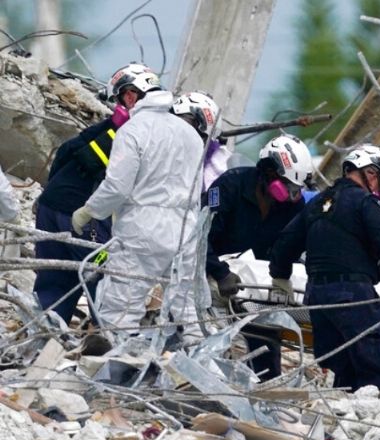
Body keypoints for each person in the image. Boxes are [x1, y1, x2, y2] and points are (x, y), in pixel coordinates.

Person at [269, 145, 380, 391]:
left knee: (345, 371)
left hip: (317, 298)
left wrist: (280, 276)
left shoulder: (318, 203)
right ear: (371, 173)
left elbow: (285, 243)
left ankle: (345, 421)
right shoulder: (365, 202)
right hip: (352, 296)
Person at [71, 74, 205, 338]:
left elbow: (117, 187)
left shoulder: (133, 131)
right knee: (188, 309)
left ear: (130, 95)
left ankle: (116, 372)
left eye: (121, 99)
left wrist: (89, 210)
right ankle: (203, 366)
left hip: (143, 228)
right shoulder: (191, 134)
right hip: (186, 230)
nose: (121, 107)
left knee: (120, 311)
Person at [33, 62, 156, 323]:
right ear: (131, 96)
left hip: (50, 208)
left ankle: (46, 332)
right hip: (80, 215)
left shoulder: (106, 129)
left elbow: (65, 153)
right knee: (102, 271)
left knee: (54, 277)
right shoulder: (128, 134)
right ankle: (106, 338)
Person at [202, 134, 311, 380]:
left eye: (297, 189)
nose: (292, 194)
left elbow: (295, 245)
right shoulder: (230, 186)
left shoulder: (293, 206)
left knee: (265, 346)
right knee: (213, 345)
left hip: (256, 288)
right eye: (288, 186)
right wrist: (219, 272)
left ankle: (265, 386)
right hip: (214, 282)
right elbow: (199, 236)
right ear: (268, 172)